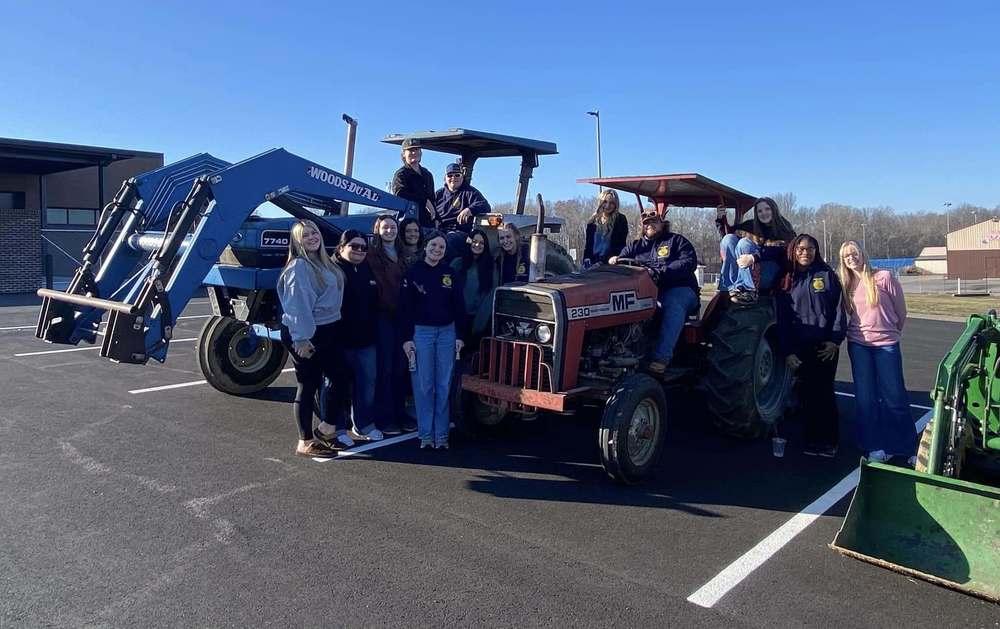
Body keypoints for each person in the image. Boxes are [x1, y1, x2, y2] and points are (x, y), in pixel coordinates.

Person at [276, 219, 355, 457]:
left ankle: (326, 430)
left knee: (340, 376)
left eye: (314, 233)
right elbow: (297, 305)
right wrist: (301, 339)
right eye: (305, 235)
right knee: (308, 386)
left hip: (328, 329)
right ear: (297, 241)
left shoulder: (324, 263)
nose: (312, 237)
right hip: (307, 333)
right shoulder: (299, 266)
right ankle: (305, 441)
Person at [838, 240, 916, 465]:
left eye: (854, 253)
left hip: (886, 345)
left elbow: (901, 311)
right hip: (859, 345)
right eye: (846, 256)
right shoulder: (847, 283)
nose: (851, 258)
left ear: (862, 253)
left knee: (894, 396)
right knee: (866, 398)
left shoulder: (884, 277)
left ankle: (905, 445)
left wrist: (891, 333)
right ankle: (875, 445)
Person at [776, 234, 847, 458]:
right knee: (806, 395)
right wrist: (788, 351)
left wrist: (835, 341)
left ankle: (829, 442)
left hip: (824, 347)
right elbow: (783, 320)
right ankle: (812, 441)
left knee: (824, 393)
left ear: (816, 251)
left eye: (810, 249)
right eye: (801, 249)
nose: (805, 253)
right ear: (793, 251)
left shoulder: (827, 276)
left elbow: (839, 310)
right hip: (799, 348)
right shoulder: (788, 280)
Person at [610, 207, 699, 373]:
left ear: (662, 223)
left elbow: (688, 262)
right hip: (646, 291)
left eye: (654, 222)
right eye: (646, 223)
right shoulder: (634, 246)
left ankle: (661, 358)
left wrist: (661, 271)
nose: (650, 225)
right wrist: (614, 261)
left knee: (671, 304)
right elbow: (621, 263)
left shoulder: (677, 241)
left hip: (679, 289)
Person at [399, 231, 465, 449]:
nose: (437, 250)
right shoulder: (413, 273)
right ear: (425, 247)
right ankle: (426, 435)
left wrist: (460, 336)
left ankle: (442, 435)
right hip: (422, 333)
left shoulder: (450, 273)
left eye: (442, 247)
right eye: (434, 246)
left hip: (447, 333)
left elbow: (458, 306)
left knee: (444, 385)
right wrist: (407, 338)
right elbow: (405, 308)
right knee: (424, 385)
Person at [334, 229, 385, 442]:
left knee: (367, 384)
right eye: (354, 246)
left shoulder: (367, 269)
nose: (359, 251)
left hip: (366, 341)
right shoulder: (333, 270)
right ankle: (336, 430)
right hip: (339, 341)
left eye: (364, 247)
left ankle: (363, 425)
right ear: (342, 247)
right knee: (336, 387)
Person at [367, 215, 415, 434]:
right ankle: (384, 416)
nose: (389, 230)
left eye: (393, 227)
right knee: (385, 368)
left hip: (403, 318)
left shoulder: (403, 254)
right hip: (383, 317)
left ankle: (399, 412)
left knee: (401, 367)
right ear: (377, 230)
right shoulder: (372, 255)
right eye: (385, 227)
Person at [716, 197, 796, 305]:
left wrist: (754, 257)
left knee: (744, 243)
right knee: (728, 239)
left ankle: (749, 290)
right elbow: (729, 236)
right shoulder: (750, 226)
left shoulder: (784, 228)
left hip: (771, 271)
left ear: (774, 210)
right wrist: (721, 219)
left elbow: (780, 250)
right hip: (750, 269)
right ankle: (729, 286)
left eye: (767, 209)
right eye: (760, 211)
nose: (764, 213)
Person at [450, 228, 497, 350]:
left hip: (476, 323)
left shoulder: (491, 267)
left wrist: (478, 325)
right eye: (474, 241)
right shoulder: (457, 263)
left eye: (481, 243)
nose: (477, 245)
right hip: (455, 320)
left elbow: (490, 297)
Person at [391, 138, 436, 228]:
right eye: (410, 150)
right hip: (409, 224)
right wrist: (424, 201)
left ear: (421, 152)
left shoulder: (427, 174)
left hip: (428, 224)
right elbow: (400, 194)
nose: (414, 153)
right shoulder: (401, 174)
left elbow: (432, 200)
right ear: (404, 154)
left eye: (417, 149)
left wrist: (437, 218)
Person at [434, 163, 492, 232]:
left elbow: (485, 206)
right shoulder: (439, 194)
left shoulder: (470, 192)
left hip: (458, 231)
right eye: (450, 175)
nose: (453, 178)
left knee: (449, 239)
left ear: (462, 177)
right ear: (445, 178)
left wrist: (470, 209)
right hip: (438, 229)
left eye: (457, 175)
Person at [583, 189, 629, 266]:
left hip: (611, 263)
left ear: (615, 204)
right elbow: (588, 246)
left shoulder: (620, 220)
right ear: (600, 202)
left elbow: (620, 245)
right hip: (593, 263)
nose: (607, 206)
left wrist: (607, 260)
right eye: (605, 202)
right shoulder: (592, 222)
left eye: (611, 203)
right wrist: (586, 259)